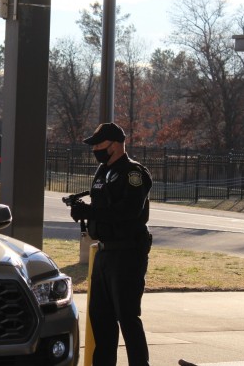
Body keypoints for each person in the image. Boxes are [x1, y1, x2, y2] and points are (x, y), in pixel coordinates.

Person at [70, 122, 153, 366]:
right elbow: (102, 205)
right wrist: (83, 211)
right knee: (101, 318)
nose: (95, 149)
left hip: (127, 253)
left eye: (99, 144)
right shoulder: (103, 171)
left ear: (115, 144)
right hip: (104, 253)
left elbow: (129, 211)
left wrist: (92, 212)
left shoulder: (133, 173)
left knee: (127, 316)